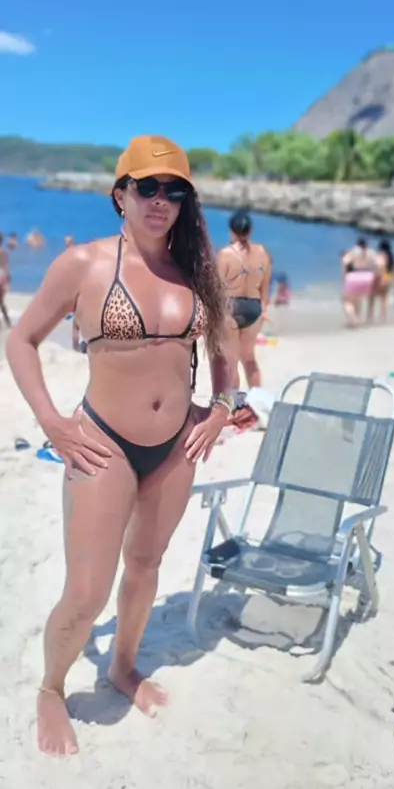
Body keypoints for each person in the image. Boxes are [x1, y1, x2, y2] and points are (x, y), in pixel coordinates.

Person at [6, 135, 234, 757]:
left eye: (175, 191)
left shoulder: (197, 271)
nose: (161, 200)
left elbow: (225, 350)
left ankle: (123, 666)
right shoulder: (83, 264)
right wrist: (51, 421)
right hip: (101, 445)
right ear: (120, 195)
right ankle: (52, 688)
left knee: (145, 567)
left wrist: (220, 409)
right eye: (147, 187)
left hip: (176, 447)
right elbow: (21, 339)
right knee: (86, 593)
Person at [217, 210, 271, 389]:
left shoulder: (225, 254)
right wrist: (264, 308)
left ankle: (235, 402)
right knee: (249, 358)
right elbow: (265, 284)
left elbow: (216, 288)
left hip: (230, 307)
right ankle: (256, 398)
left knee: (230, 360)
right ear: (251, 230)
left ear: (231, 231)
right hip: (254, 307)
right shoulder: (262, 252)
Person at [341, 237, 377, 327]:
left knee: (346, 301)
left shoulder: (353, 252)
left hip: (355, 275)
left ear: (357, 244)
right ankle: (354, 320)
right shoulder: (372, 252)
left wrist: (345, 277)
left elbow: (345, 263)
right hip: (368, 277)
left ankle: (354, 319)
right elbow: (378, 265)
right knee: (357, 299)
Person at [367, 239, 394, 322]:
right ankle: (383, 317)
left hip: (379, 276)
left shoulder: (380, 255)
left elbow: (379, 267)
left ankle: (370, 316)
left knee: (372, 297)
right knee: (384, 298)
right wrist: (388, 278)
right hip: (388, 276)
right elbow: (391, 269)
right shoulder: (391, 256)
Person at [0, 232, 12, 328]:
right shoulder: (3, 251)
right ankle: (7, 321)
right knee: (1, 301)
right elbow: (6, 266)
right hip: (2, 277)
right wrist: (8, 279)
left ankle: (6, 321)